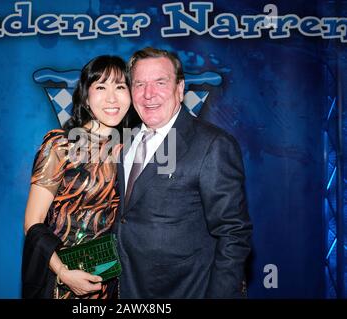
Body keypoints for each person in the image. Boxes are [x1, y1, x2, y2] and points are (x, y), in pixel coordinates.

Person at [114, 47, 253, 298]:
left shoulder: (212, 144)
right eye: (139, 84)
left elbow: (233, 234)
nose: (148, 94)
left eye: (160, 82)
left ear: (180, 88)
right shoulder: (124, 142)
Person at [22, 55, 133, 299]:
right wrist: (63, 272)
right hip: (62, 280)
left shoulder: (132, 149)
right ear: (85, 96)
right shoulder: (61, 145)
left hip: (112, 281)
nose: (112, 98)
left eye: (120, 87)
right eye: (101, 87)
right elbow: (33, 221)